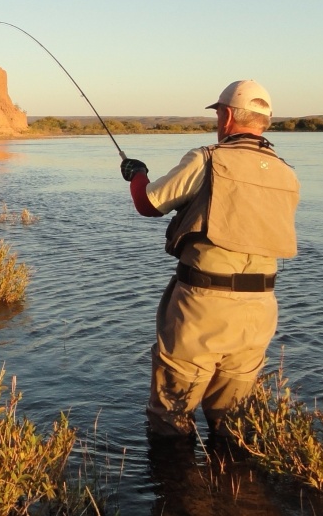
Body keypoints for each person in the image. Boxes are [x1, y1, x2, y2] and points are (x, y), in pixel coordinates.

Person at [120, 79, 300, 438]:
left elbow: (148, 204)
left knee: (170, 416)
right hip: (261, 310)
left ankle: (176, 490)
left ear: (228, 115)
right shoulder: (286, 172)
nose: (218, 120)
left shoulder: (206, 158)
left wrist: (136, 175)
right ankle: (234, 488)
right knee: (232, 420)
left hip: (203, 306)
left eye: (219, 113)